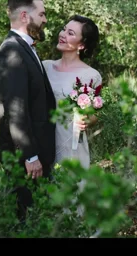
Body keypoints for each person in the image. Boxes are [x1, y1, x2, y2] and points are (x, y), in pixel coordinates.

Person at [0, 0, 57, 223]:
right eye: (42, 13)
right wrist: (30, 157)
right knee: (28, 220)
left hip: (34, 154)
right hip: (24, 157)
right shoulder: (13, 51)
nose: (45, 19)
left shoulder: (25, 47)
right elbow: (15, 110)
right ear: (24, 16)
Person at [42, 15, 101, 171]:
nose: (62, 34)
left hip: (71, 148)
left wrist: (87, 121)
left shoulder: (91, 76)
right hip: (42, 147)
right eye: (64, 29)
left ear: (81, 45)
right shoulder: (45, 67)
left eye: (70, 33)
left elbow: (94, 115)